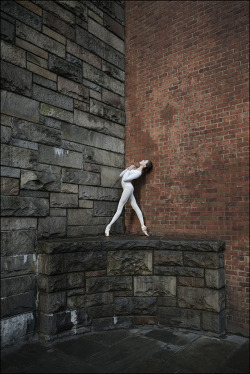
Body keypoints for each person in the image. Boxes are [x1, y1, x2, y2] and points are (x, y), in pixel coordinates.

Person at [105, 160, 153, 237]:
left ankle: (109, 226)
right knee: (135, 207)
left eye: (144, 161)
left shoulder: (138, 173)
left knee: (120, 207)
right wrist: (128, 168)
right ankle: (143, 226)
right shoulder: (135, 170)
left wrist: (130, 169)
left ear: (144, 166)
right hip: (127, 188)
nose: (143, 160)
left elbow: (125, 179)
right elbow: (121, 175)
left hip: (128, 188)